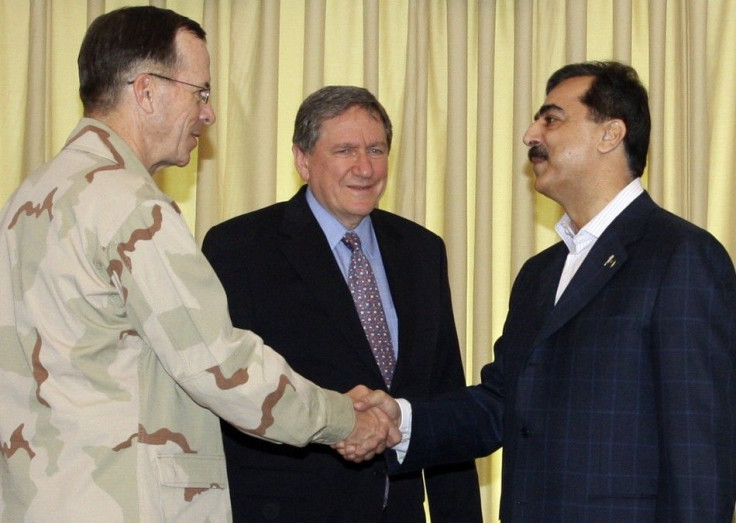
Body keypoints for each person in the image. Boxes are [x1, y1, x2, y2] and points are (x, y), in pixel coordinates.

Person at [0, 7, 396, 521]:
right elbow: (219, 365)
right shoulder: (128, 204)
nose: (208, 114)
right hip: (123, 501)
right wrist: (345, 419)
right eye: (200, 92)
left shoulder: (30, 196)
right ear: (147, 90)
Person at [343, 61, 736, 521]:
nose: (531, 134)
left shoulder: (680, 257)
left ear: (610, 135)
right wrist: (399, 421)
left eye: (551, 119)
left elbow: (700, 458)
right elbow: (499, 406)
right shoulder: (539, 275)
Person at [201, 85, 482, 522]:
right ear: (302, 159)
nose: (365, 168)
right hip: (286, 510)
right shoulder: (240, 248)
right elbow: (229, 392)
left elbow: (443, 392)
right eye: (345, 150)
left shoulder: (422, 251)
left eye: (376, 149)